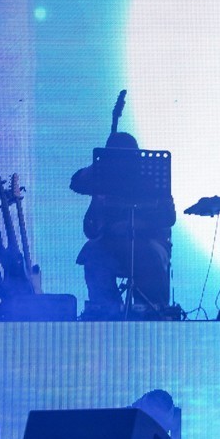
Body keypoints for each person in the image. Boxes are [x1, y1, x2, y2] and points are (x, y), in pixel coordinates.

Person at [71, 132, 176, 319]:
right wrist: (99, 165)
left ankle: (152, 313)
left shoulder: (151, 178)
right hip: (111, 244)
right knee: (93, 254)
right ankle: (108, 312)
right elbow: (76, 182)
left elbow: (168, 217)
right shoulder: (104, 177)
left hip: (148, 243)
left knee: (151, 257)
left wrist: (133, 226)